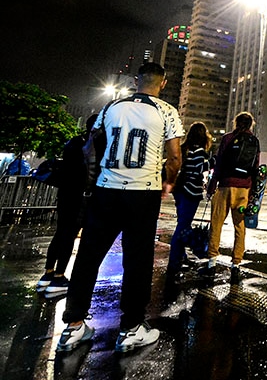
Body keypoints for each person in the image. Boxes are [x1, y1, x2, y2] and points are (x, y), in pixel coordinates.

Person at [56, 63, 184, 353]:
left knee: (89, 255)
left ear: (136, 81)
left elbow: (92, 142)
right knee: (137, 260)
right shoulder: (166, 111)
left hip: (106, 189)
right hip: (143, 192)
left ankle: (74, 326)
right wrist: (169, 182)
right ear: (162, 84)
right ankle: (131, 328)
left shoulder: (112, 106)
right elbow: (174, 156)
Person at [37, 113, 98, 297]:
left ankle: (47, 276)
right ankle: (59, 277)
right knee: (69, 236)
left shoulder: (74, 141)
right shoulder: (92, 146)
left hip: (66, 195)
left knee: (61, 233)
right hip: (81, 197)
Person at [204, 111, 260, 284]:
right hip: (244, 188)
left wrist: (212, 186)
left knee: (217, 223)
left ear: (236, 122)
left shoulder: (228, 138)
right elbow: (255, 168)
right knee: (240, 226)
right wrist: (253, 193)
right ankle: (236, 264)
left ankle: (212, 262)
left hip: (225, 186)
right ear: (251, 125)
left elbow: (219, 163)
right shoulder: (255, 141)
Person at [166, 121, 213, 278]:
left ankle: (181, 256)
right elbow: (198, 172)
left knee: (182, 223)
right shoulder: (200, 152)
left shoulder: (184, 149)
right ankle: (174, 262)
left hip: (179, 191)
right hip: (190, 193)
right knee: (182, 227)